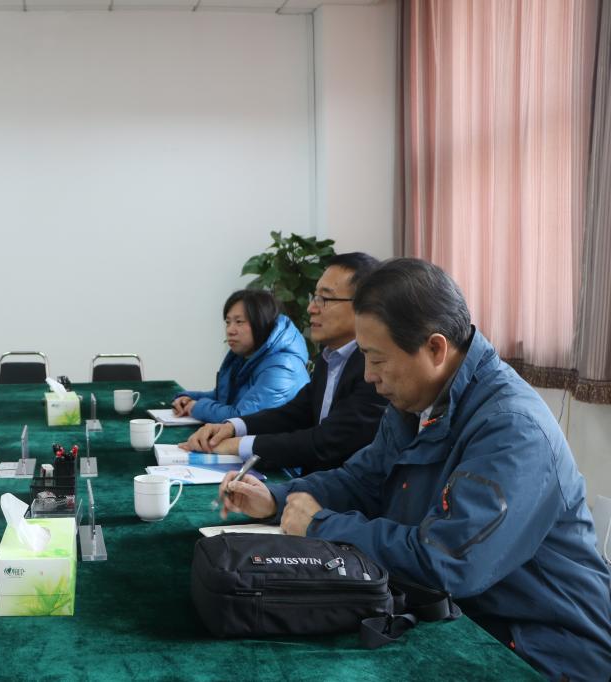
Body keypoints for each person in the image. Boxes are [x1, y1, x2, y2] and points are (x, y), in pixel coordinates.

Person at [217, 258, 611, 680]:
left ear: (435, 349)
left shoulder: (513, 430)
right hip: (453, 618)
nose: (369, 376)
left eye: (377, 359)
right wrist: (276, 498)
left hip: (538, 649)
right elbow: (362, 480)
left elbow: (449, 562)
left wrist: (320, 524)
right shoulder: (418, 402)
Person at [182, 253, 386, 477]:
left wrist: (239, 445)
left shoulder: (375, 369)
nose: (311, 308)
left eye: (324, 299)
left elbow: (326, 441)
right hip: (312, 484)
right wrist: (232, 427)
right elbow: (294, 413)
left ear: (364, 306)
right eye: (314, 297)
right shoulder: (330, 357)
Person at [172, 289, 309, 423]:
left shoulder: (283, 367)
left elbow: (242, 419)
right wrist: (188, 398)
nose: (230, 330)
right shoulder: (245, 355)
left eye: (239, 322)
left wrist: (195, 407)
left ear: (261, 323)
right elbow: (224, 396)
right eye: (228, 322)